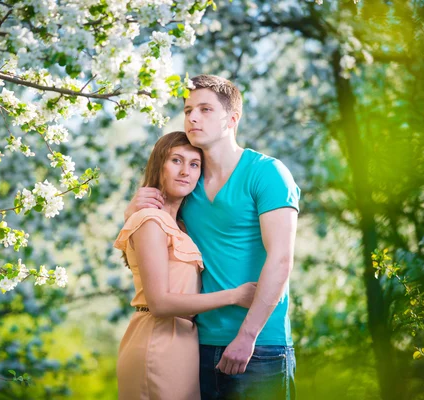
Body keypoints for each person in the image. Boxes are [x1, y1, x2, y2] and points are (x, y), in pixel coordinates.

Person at [124, 75, 300, 400]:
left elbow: (281, 259)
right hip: (198, 345)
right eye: (188, 109)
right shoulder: (188, 181)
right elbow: (156, 243)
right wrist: (132, 211)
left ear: (232, 119)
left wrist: (247, 336)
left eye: (205, 109)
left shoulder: (267, 173)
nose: (192, 117)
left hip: (259, 345)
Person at [114, 131, 258, 400]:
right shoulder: (150, 220)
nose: (185, 172)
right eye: (176, 160)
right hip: (157, 340)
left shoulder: (180, 226)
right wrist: (234, 296)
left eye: (194, 164)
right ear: (159, 165)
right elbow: (159, 303)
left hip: (183, 343)